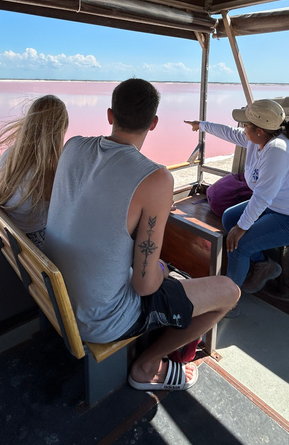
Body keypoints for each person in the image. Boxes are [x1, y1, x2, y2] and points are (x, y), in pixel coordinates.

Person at [43, 78, 239, 391]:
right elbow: (145, 287)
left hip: (56, 295)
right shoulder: (156, 178)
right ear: (154, 123)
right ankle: (148, 366)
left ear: (110, 115)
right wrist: (162, 270)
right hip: (101, 320)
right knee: (228, 292)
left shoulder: (73, 145)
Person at [185, 99, 289, 297]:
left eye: (246, 125)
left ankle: (225, 301)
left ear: (260, 131)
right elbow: (230, 133)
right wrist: (202, 125)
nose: (242, 128)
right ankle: (263, 264)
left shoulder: (278, 151)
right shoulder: (257, 139)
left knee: (240, 244)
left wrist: (241, 229)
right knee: (229, 218)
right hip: (276, 206)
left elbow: (262, 197)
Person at [0, 95, 69, 250]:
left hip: (13, 242)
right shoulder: (47, 171)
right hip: (34, 246)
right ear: (60, 129)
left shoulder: (11, 155)